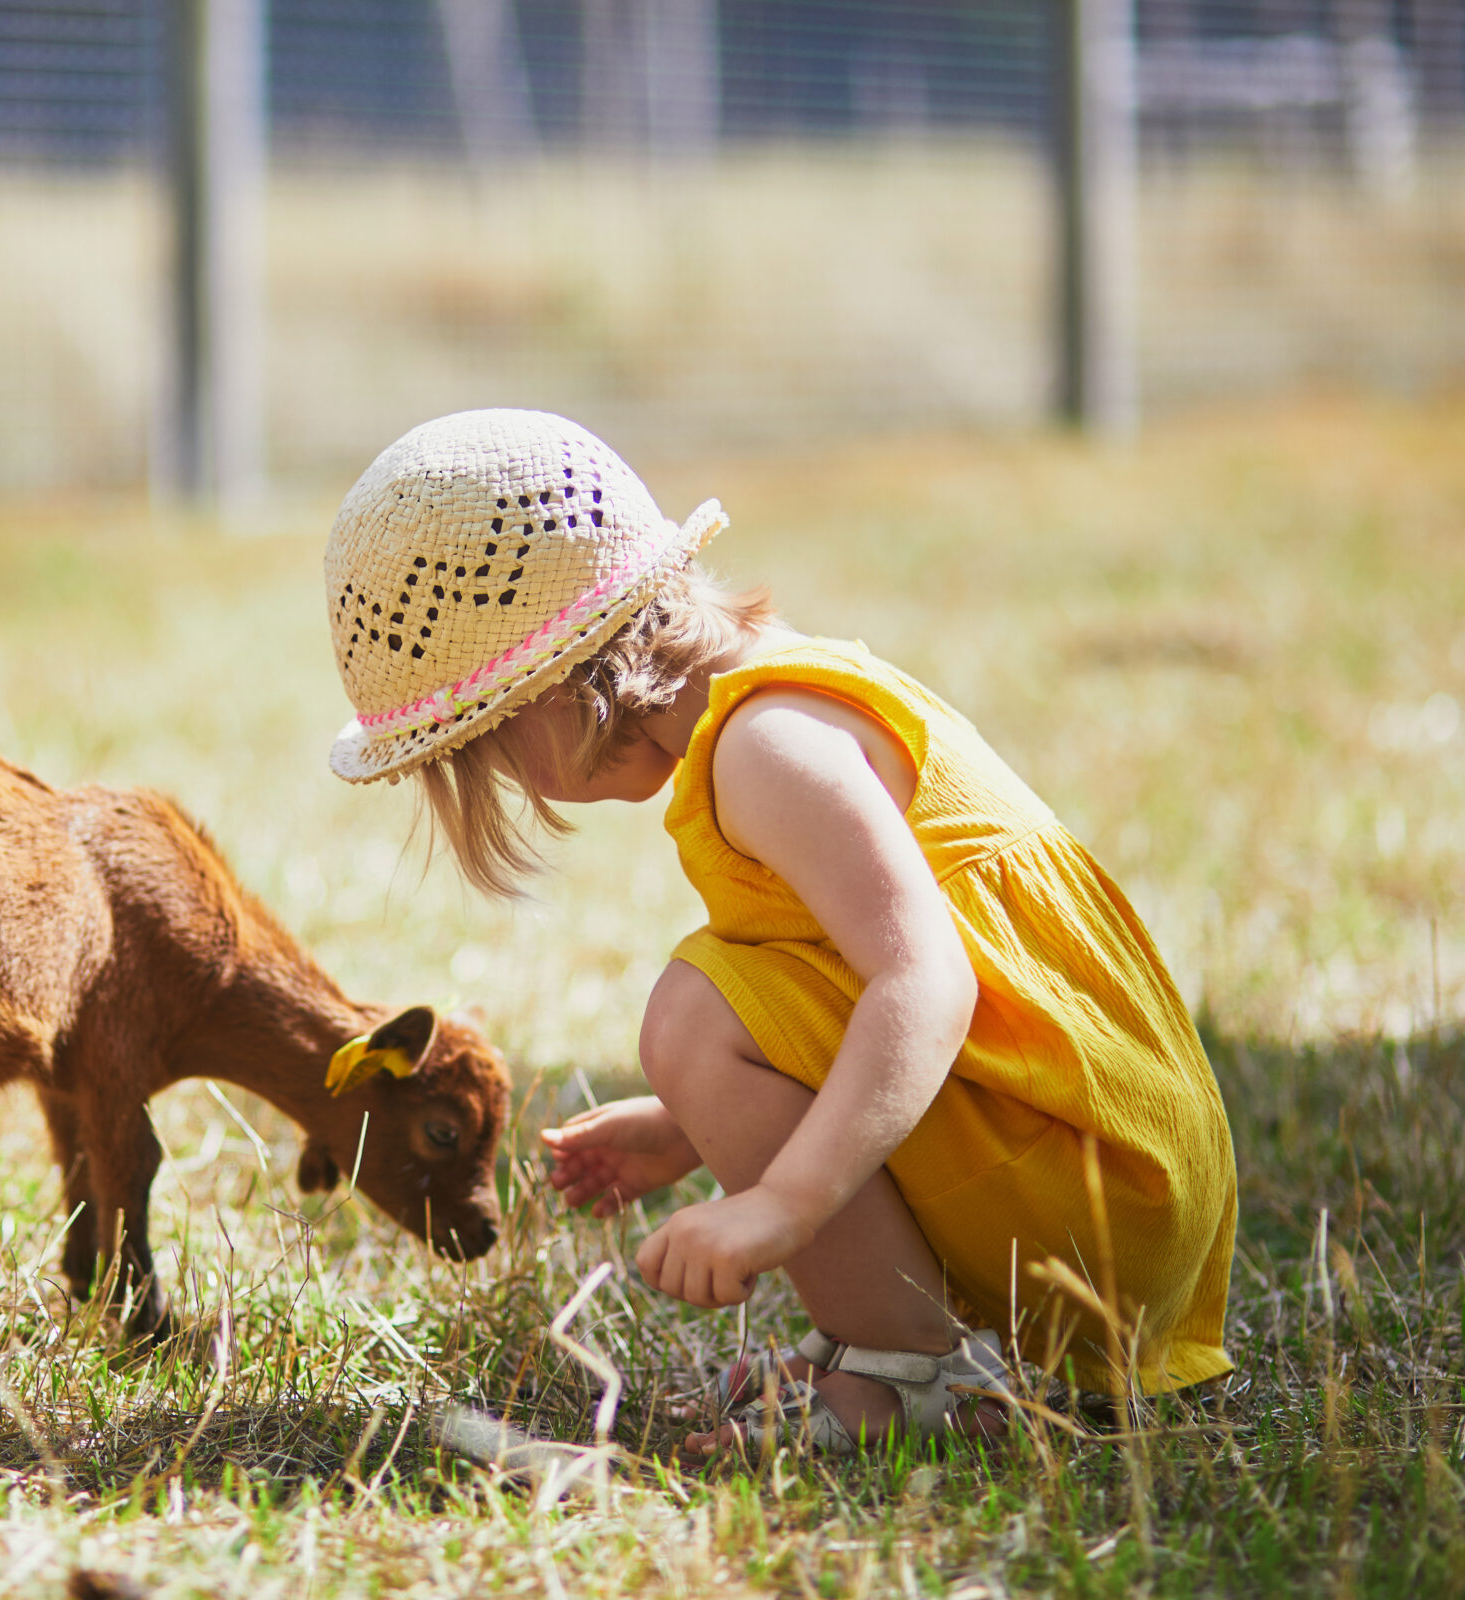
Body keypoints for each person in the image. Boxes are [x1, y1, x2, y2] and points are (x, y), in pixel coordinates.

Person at [321, 409, 1237, 1455]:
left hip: (1099, 1195)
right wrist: (686, 1124)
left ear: (567, 681)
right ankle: (904, 1347)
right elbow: (852, 976)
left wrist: (787, 1203)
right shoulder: (775, 692)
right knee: (707, 1022)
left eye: (492, 746)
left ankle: (912, 1375)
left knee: (693, 1013)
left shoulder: (767, 750)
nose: (523, 787)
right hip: (1098, 1164)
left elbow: (928, 982)